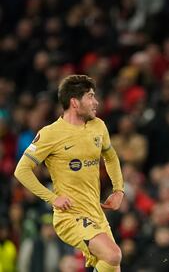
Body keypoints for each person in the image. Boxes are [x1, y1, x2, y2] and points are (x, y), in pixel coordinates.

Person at [14, 75, 124, 272]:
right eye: (90, 96)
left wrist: (118, 191)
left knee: (112, 264)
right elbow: (21, 170)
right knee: (113, 254)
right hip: (70, 216)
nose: (96, 102)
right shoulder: (50, 133)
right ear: (74, 102)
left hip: (96, 214)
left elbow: (111, 157)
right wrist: (52, 198)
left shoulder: (98, 125)